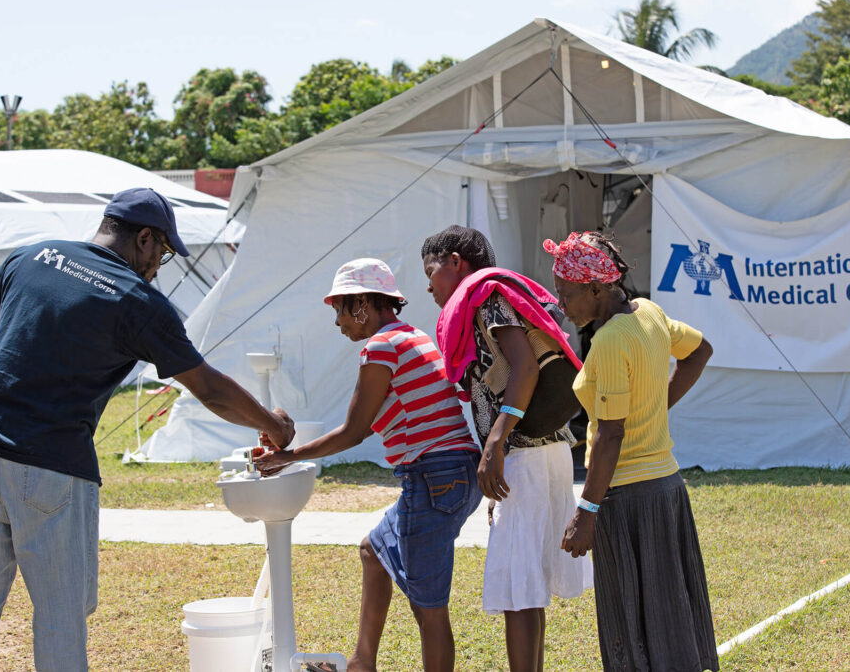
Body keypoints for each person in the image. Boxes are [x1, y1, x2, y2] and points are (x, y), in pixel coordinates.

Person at [0, 187, 294, 672]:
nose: (158, 268)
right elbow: (209, 389)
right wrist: (271, 423)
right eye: (163, 254)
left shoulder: (31, 255)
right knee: (60, 620)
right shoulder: (138, 302)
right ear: (145, 239)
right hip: (50, 468)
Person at [255, 258, 482, 672]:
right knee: (373, 550)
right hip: (453, 474)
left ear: (361, 304)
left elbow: (354, 431)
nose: (338, 322)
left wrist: (287, 458)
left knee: (429, 610)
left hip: (432, 476)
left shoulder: (381, 346)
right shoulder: (412, 336)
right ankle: (362, 663)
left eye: (339, 309)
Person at [420, 226, 591, 672]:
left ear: (456, 262)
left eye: (431, 270)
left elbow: (525, 366)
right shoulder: (490, 298)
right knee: (526, 584)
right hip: (545, 448)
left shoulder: (485, 297)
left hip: (525, 452)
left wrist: (495, 443)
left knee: (520, 585)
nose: (428, 285)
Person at [550, 231, 718, 672]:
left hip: (626, 499)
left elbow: (609, 436)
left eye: (566, 294)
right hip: (666, 487)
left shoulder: (608, 343)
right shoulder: (649, 313)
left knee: (631, 622)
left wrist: (586, 511)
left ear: (596, 289)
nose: (561, 305)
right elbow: (700, 351)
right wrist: (655, 405)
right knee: (669, 616)